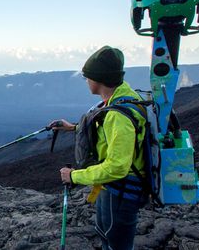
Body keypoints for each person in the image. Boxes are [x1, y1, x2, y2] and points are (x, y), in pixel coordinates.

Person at [50, 46, 147, 250]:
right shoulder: (124, 97)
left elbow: (117, 167)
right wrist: (74, 128)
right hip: (111, 189)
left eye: (88, 77)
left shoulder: (118, 115)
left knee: (115, 244)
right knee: (107, 236)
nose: (86, 81)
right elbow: (110, 135)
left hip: (120, 194)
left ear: (98, 79)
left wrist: (74, 176)